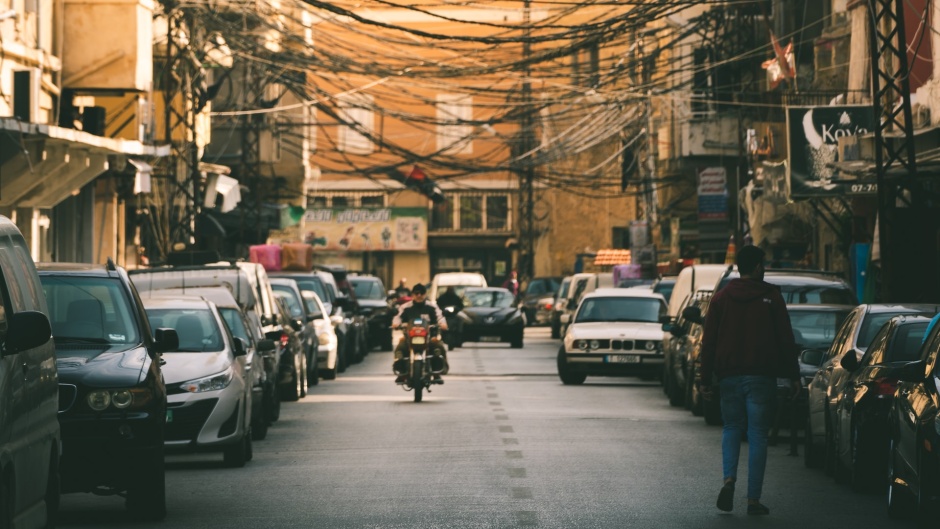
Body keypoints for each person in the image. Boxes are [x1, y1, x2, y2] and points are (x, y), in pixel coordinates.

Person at [698, 244, 799, 516]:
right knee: (757, 435)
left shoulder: (721, 298)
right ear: (757, 267)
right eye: (762, 264)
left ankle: (729, 480)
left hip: (729, 376)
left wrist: (705, 378)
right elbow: (785, 340)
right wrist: (793, 376)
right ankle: (753, 499)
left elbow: (709, 343)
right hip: (761, 377)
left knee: (731, 427)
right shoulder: (771, 297)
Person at [391, 283, 448, 383]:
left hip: (429, 337)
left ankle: (437, 373)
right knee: (400, 348)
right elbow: (397, 318)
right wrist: (396, 324)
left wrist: (442, 324)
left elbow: (440, 317)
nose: (419, 295)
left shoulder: (432, 307)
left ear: (425, 294)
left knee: (438, 347)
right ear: (412, 294)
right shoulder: (405, 307)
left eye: (421, 293)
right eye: (416, 293)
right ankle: (401, 373)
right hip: (409, 338)